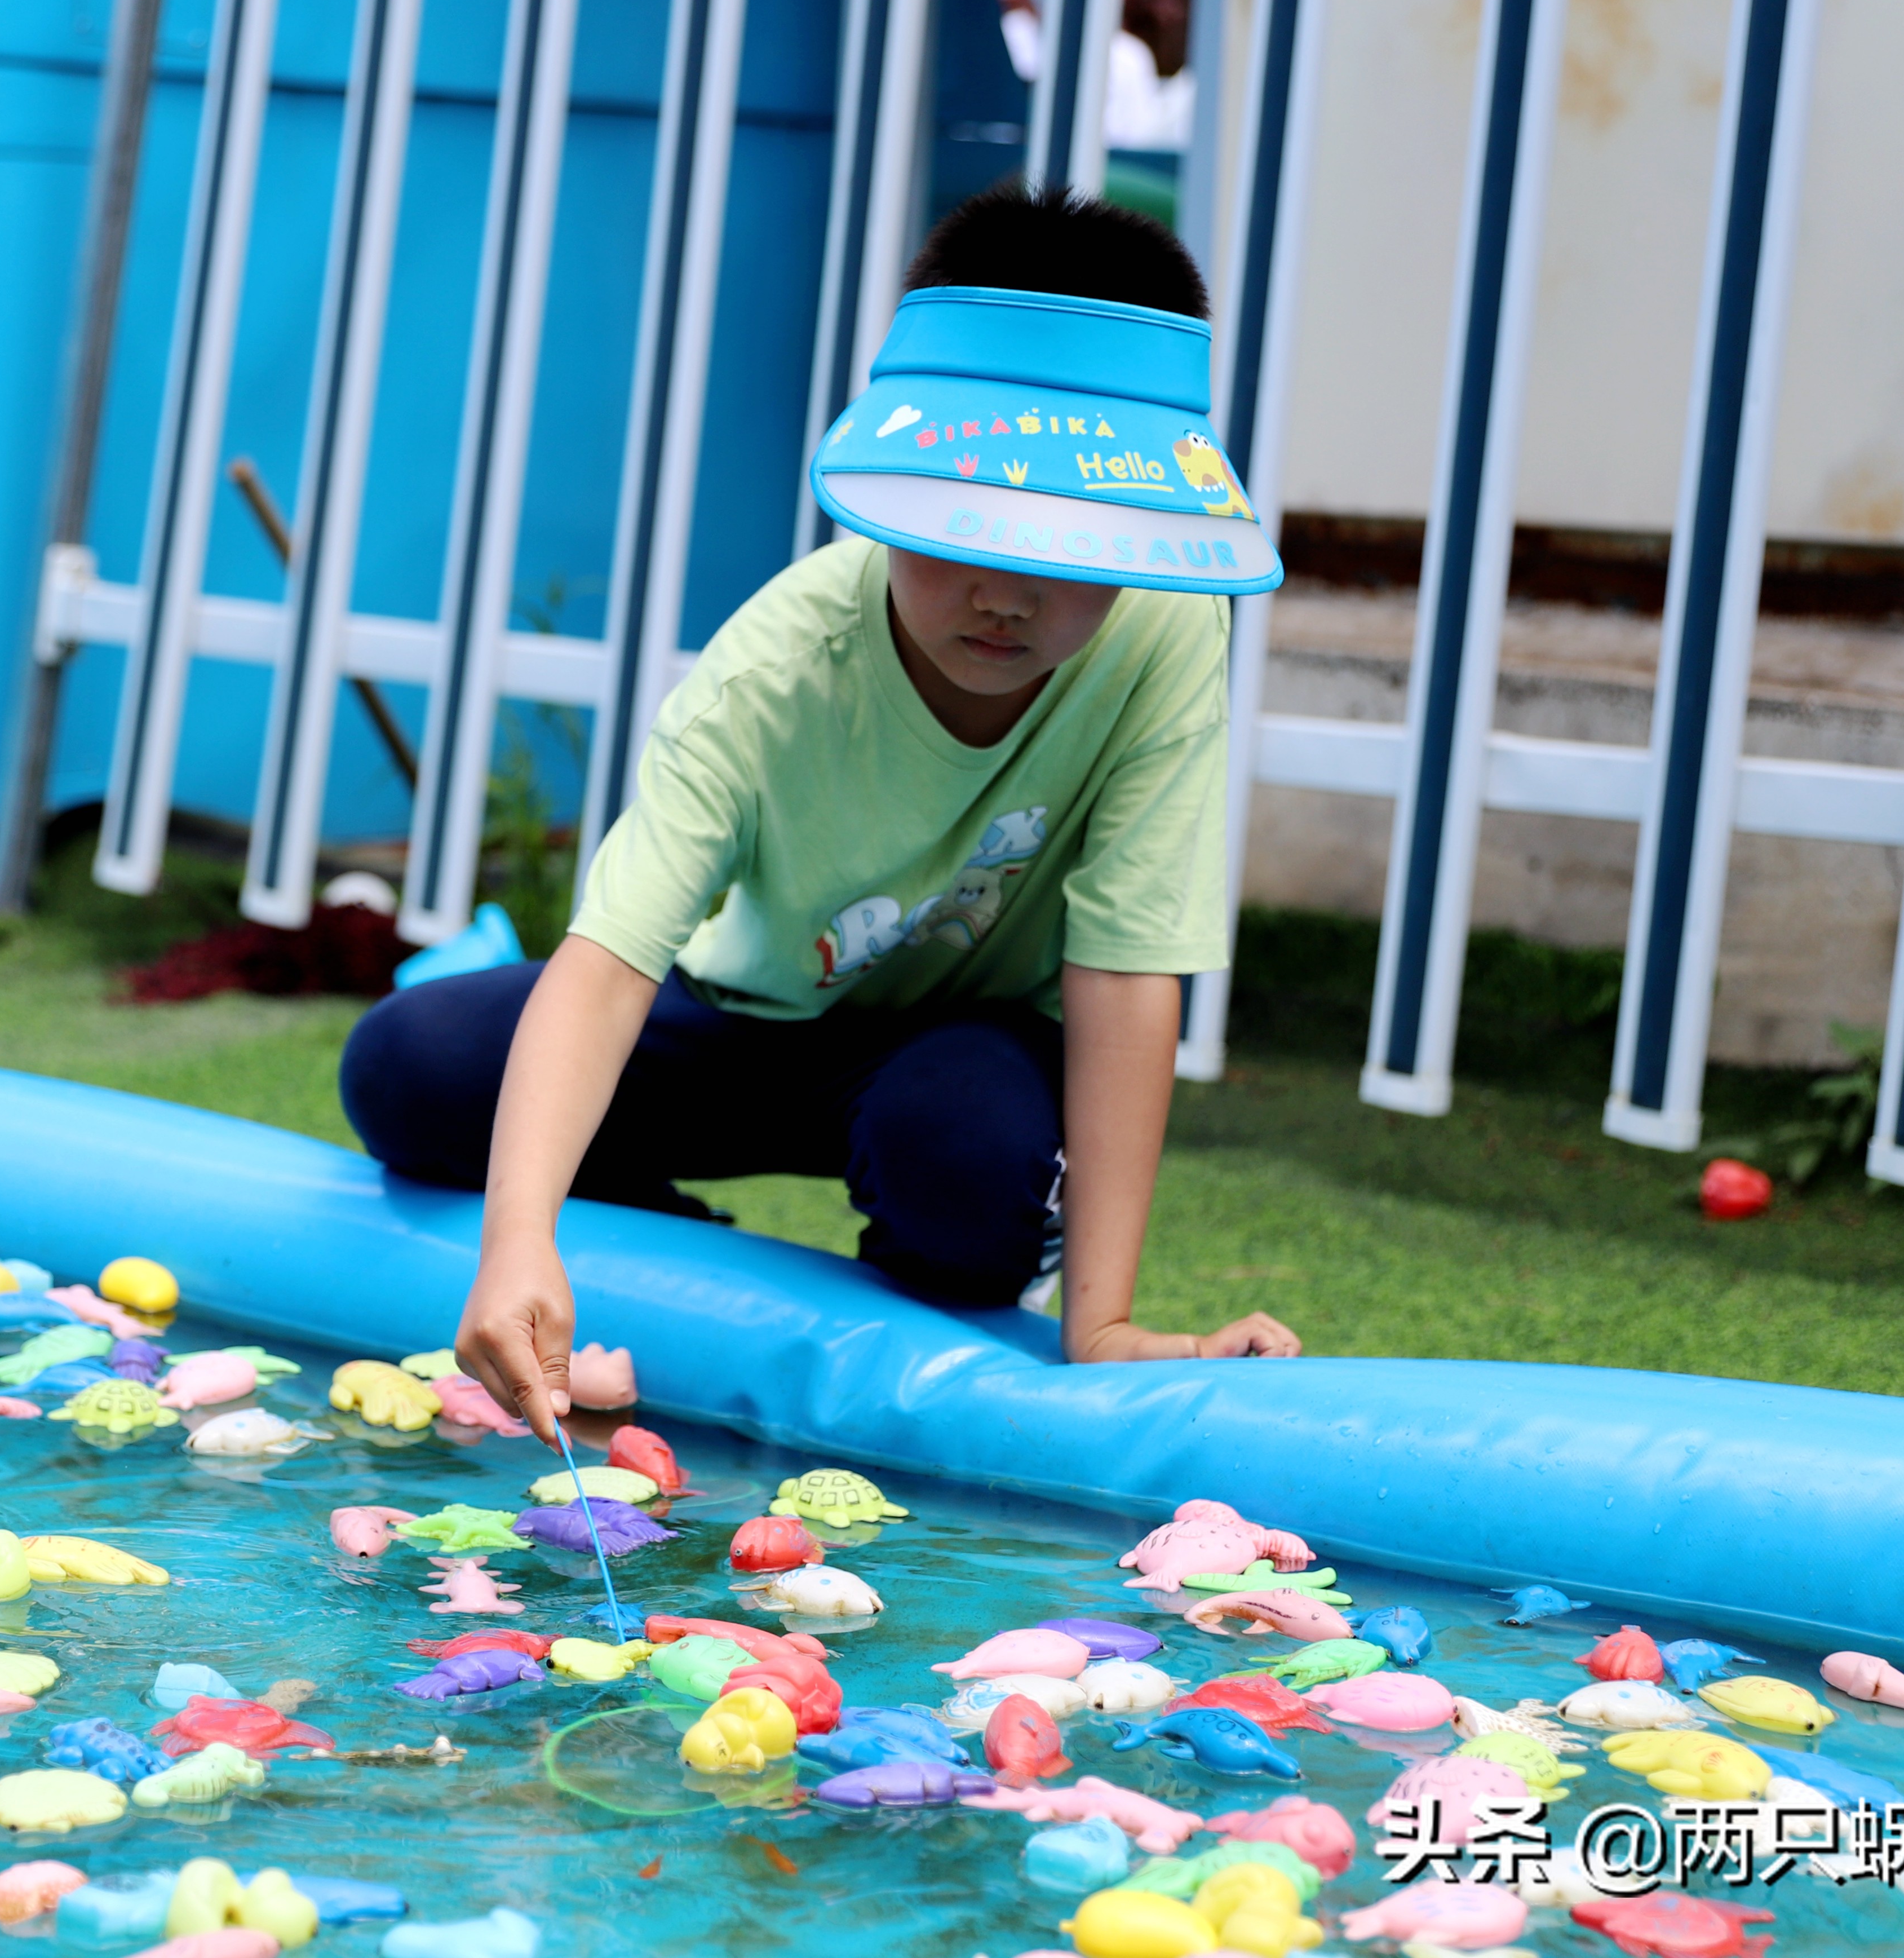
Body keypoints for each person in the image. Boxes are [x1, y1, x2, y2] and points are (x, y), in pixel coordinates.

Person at [338, 186, 1303, 1442]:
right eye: (967, 526)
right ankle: (660, 1235)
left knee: (970, 1177)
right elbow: (615, 957)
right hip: (743, 1023)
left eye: (1064, 545)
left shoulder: (1169, 630)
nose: (1004, 593)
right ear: (897, 487)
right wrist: (519, 1243)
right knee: (410, 1067)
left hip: (958, 1054)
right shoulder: (782, 662)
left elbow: (1127, 965)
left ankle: (954, 1228)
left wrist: (1105, 1328)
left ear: (1140, 535)